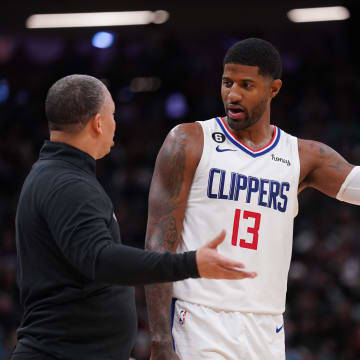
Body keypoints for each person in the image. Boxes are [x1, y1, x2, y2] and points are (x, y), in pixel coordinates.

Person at [11, 74, 257, 360]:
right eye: (112, 114)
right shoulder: (67, 184)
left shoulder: (54, 176)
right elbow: (101, 260)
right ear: (98, 122)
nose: (115, 123)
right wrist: (191, 263)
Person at [145, 37, 359, 360]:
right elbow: (158, 244)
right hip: (199, 318)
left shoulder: (302, 156)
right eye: (227, 82)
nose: (233, 94)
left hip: (267, 327)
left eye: (247, 85)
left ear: (273, 89)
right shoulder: (188, 142)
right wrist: (160, 339)